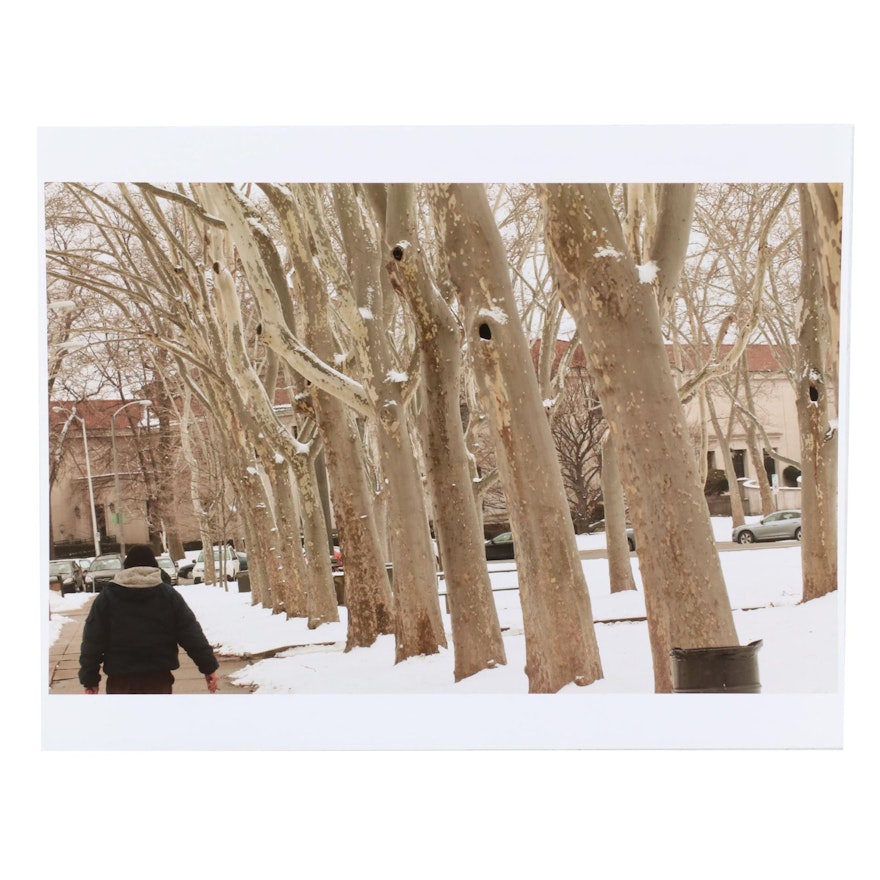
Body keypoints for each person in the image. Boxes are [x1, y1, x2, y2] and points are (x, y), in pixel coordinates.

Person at [78, 544, 219, 694]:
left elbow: (93, 641)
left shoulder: (107, 598)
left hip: (120, 681)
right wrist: (208, 667)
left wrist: (90, 678)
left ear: (125, 568)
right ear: (155, 567)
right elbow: (191, 633)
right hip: (158, 679)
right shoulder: (168, 596)